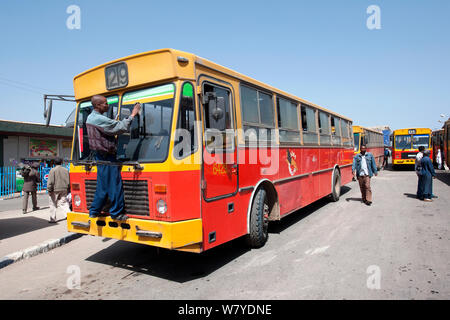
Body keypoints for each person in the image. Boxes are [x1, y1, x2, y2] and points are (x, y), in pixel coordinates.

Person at [86, 95, 141, 220]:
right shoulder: (99, 119)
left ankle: (94, 210)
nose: (107, 105)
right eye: (105, 103)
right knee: (114, 185)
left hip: (99, 156)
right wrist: (133, 114)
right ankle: (116, 213)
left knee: (102, 185)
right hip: (108, 157)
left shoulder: (90, 117)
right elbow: (121, 127)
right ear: (98, 105)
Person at [47, 158, 70, 223]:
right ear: (61, 162)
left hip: (55, 189)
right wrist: (68, 188)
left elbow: (50, 181)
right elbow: (68, 180)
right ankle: (68, 215)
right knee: (64, 203)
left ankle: (53, 218)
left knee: (53, 203)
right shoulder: (66, 170)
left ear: (54, 163)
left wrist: (49, 189)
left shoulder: (53, 170)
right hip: (64, 189)